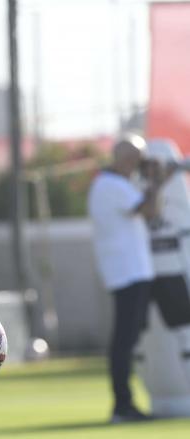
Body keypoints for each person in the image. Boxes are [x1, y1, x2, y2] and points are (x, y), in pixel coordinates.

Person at [88, 134, 174, 424]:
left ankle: (124, 403)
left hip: (130, 272)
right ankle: (122, 405)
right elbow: (150, 211)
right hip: (129, 273)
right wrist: (159, 183)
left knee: (127, 340)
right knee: (124, 342)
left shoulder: (112, 184)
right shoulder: (113, 185)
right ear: (128, 159)